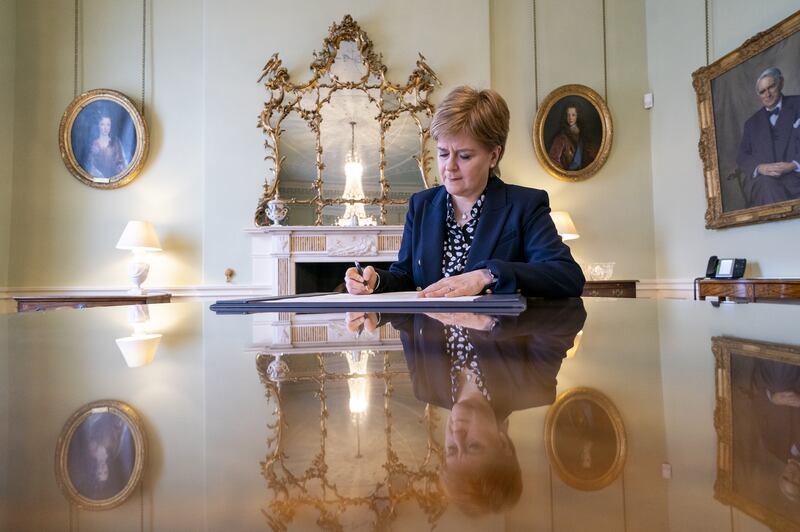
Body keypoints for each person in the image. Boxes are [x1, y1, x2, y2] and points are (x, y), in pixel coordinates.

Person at [348, 299, 587, 515]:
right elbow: (569, 313)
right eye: (473, 446)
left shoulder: (425, 387)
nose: (456, 435)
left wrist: (375, 309)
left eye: (451, 450)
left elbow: (408, 317)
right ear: (502, 442)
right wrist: (491, 322)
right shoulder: (531, 384)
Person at [344, 86, 585, 298]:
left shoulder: (525, 205)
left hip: (497, 344)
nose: (449, 167)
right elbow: (407, 276)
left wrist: (487, 275)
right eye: (443, 153)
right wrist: (375, 282)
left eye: (464, 156)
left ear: (494, 155)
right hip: (431, 345)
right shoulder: (421, 205)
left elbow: (567, 276)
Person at [736, 67, 800, 207]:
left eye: (771, 87)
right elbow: (742, 156)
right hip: (765, 183)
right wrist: (760, 168)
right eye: (762, 91)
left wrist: (794, 164)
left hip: (796, 179)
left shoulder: (798, 104)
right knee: (767, 186)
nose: (767, 94)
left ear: (781, 83)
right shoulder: (751, 124)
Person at [547, 103, 599, 171]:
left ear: (578, 116)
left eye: (573, 115)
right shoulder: (561, 137)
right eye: (568, 115)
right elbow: (553, 159)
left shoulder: (583, 134)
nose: (570, 118)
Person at [86, 114, 127, 179]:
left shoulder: (116, 142)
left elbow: (121, 162)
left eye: (108, 125)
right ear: (98, 126)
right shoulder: (94, 144)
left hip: (115, 179)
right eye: (102, 124)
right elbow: (90, 167)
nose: (105, 128)